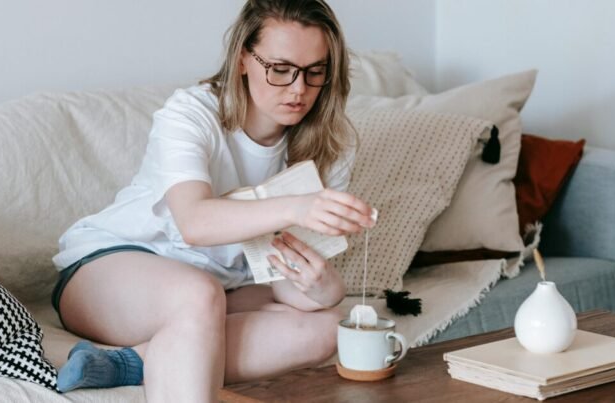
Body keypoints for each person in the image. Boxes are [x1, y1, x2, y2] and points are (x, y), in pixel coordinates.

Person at [51, 0, 374, 401]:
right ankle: (155, 354)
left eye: (314, 72)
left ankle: (133, 362)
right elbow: (195, 222)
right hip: (108, 268)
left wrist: (324, 286)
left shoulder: (331, 147)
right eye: (280, 69)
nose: (298, 88)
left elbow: (287, 283)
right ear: (242, 59)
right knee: (198, 293)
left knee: (326, 328)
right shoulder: (192, 113)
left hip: (222, 289)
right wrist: (297, 205)